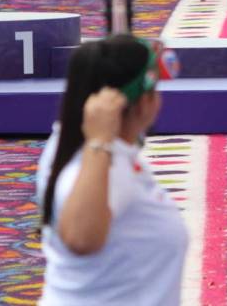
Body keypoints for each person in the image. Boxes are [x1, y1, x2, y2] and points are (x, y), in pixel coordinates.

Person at [35, 35, 187, 305]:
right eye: (155, 89)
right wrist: (101, 141)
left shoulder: (65, 143)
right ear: (142, 102)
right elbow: (81, 238)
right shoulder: (104, 164)